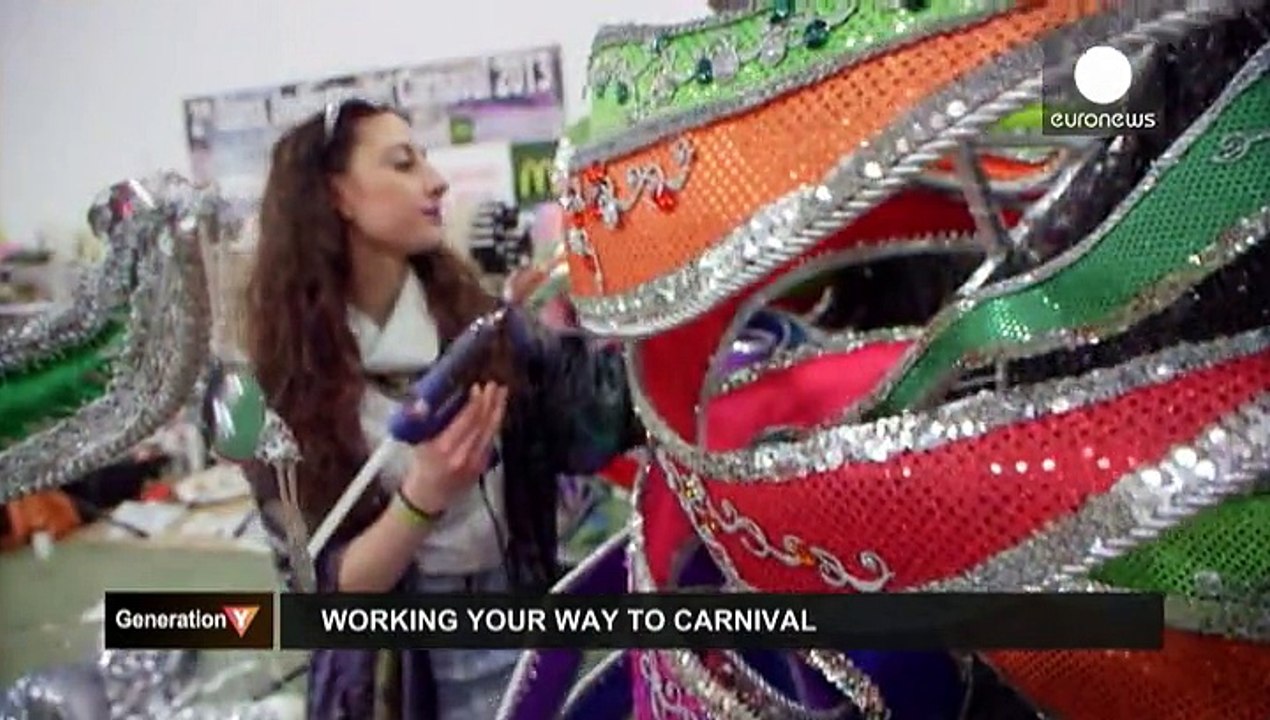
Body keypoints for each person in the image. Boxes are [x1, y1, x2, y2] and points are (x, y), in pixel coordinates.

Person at [240, 99, 641, 720]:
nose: (435, 180)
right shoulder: (276, 387)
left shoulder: (482, 329)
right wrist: (423, 496)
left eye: (425, 158)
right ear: (336, 194)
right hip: (398, 676)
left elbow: (598, 412)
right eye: (403, 164)